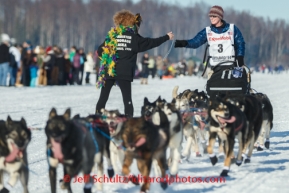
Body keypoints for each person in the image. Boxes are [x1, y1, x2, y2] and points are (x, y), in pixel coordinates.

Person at [95, 10, 174, 117]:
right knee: (127, 101)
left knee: (102, 99)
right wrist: (166, 37)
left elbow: (99, 51)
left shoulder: (112, 36)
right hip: (124, 72)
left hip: (109, 71)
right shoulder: (134, 38)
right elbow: (151, 43)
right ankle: (129, 122)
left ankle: (97, 120)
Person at [174, 5, 247, 98]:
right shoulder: (207, 31)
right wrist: (182, 43)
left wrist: (240, 57)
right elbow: (195, 42)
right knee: (213, 90)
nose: (211, 18)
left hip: (232, 66)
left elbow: (240, 43)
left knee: (238, 89)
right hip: (215, 67)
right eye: (210, 16)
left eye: (214, 16)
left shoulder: (232, 28)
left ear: (220, 17)